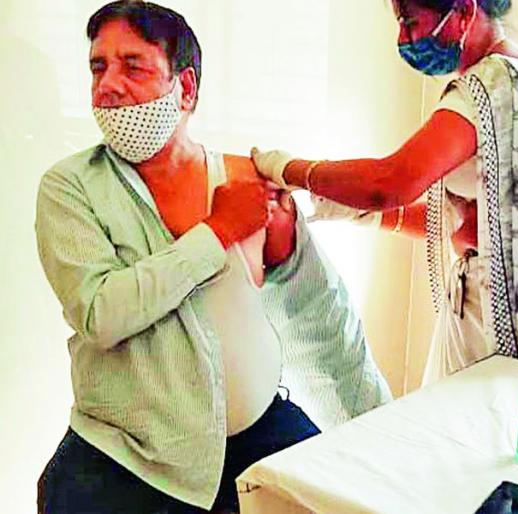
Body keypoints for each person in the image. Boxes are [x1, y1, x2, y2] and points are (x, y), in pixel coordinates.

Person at [35, 2, 390, 513]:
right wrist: (218, 230)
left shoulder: (247, 179)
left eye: (132, 66)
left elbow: (321, 315)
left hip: (255, 436)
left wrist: (377, 430)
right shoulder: (70, 187)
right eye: (98, 67)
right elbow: (101, 313)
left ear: (185, 88)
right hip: (129, 457)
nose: (108, 85)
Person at [252, 0, 518, 383]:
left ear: (464, 11)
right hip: (498, 304)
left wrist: (287, 169)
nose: (404, 39)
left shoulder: (496, 86)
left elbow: (389, 182)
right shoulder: (497, 85)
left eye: (410, 22)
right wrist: (360, 214)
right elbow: (460, 220)